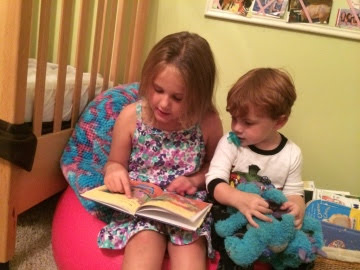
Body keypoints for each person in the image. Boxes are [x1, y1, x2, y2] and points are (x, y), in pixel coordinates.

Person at [99, 31, 223, 270]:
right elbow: (115, 162)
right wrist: (114, 171)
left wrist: (195, 180)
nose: (164, 103)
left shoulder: (207, 121)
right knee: (142, 252)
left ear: (198, 97)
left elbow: (216, 167)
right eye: (158, 89)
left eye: (178, 97)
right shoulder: (130, 118)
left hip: (186, 210)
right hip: (142, 209)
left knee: (190, 259)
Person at [206, 68, 305, 269]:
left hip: (267, 220)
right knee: (232, 248)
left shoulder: (292, 153)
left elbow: (294, 192)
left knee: (300, 253)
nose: (236, 128)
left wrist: (297, 207)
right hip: (232, 213)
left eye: (248, 122)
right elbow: (214, 182)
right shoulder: (230, 143)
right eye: (234, 118)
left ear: (279, 121)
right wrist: (239, 199)